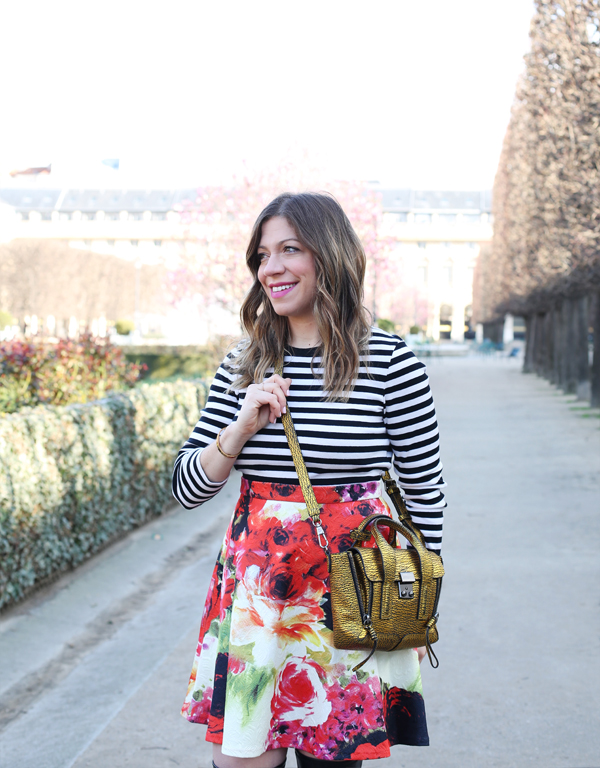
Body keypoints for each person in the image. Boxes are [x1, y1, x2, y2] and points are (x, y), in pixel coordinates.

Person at [172, 192, 446, 768]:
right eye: (262, 254)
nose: (271, 267)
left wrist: (418, 606)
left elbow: (423, 490)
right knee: (242, 759)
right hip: (258, 598)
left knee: (332, 759)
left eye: (289, 250)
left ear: (331, 256)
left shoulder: (390, 362)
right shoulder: (243, 365)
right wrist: (239, 428)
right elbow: (188, 487)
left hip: (350, 593)